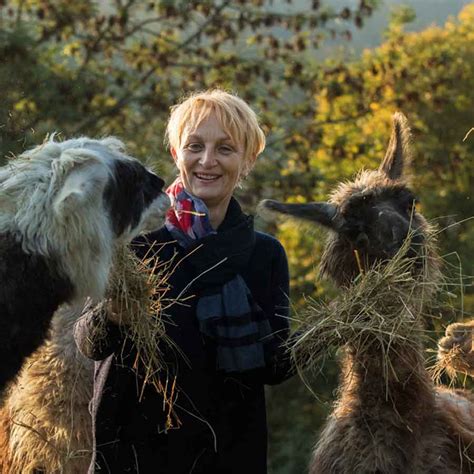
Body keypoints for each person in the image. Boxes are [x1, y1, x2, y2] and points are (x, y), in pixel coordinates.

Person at [74, 89, 293, 474]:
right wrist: (112, 315)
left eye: (225, 149)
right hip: (132, 455)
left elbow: (275, 369)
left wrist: (317, 338)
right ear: (177, 154)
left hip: (226, 455)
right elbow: (89, 342)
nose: (208, 161)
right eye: (195, 146)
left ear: (247, 161)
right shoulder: (136, 241)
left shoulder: (264, 255)